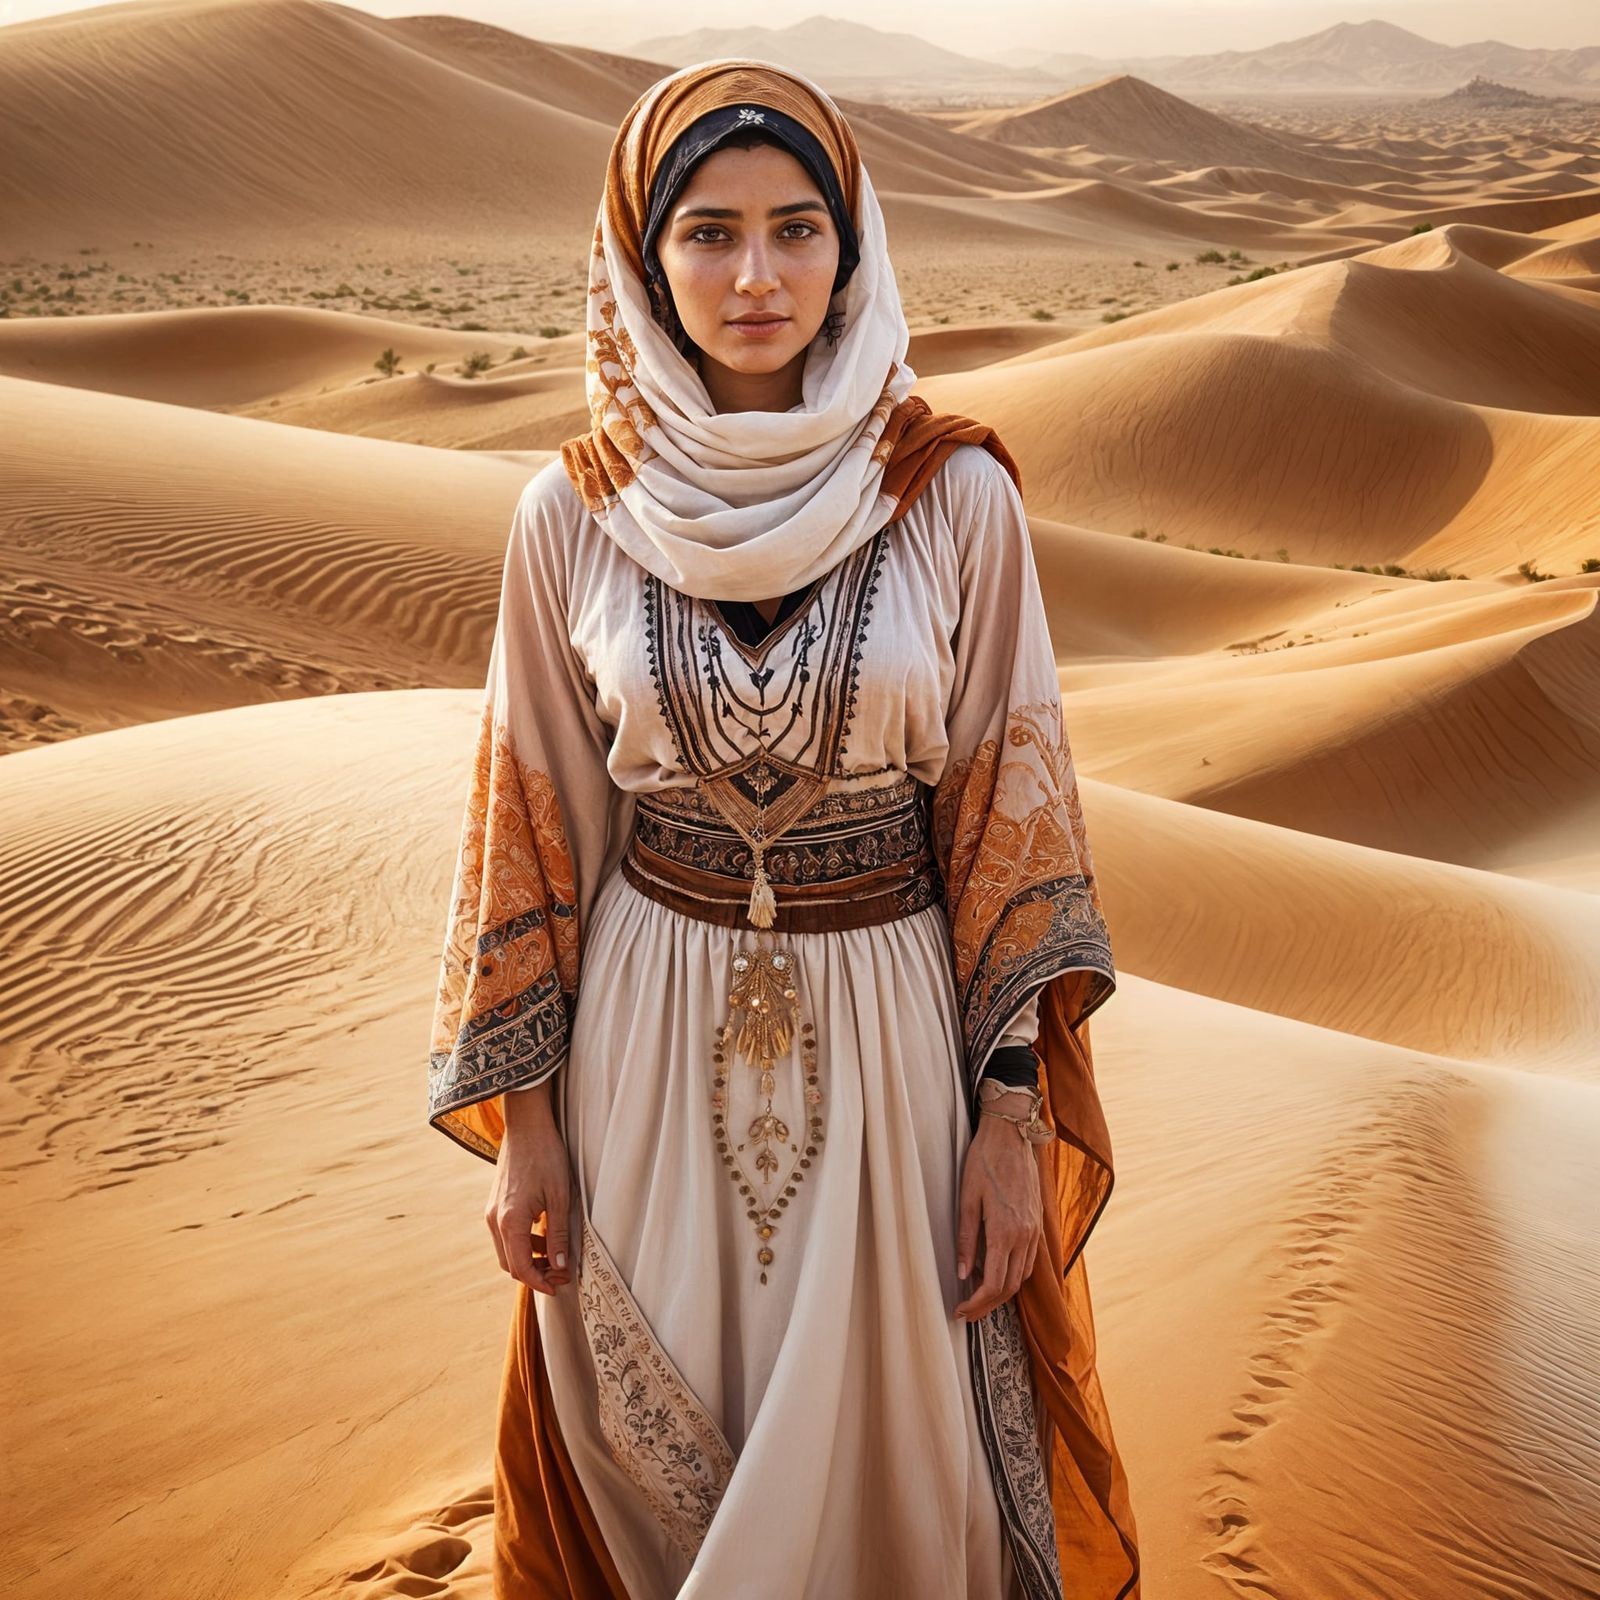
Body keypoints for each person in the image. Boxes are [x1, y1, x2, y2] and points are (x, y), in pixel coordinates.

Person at [426, 57, 1141, 1600]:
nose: (757, 275)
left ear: (854, 243)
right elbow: (529, 824)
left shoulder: (951, 500)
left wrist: (1009, 1123)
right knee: (649, 1447)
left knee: (897, 1477)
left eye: (797, 227)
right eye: (708, 231)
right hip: (640, 1050)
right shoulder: (571, 512)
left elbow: (1015, 832)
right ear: (641, 252)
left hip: (893, 1045)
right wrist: (528, 1124)